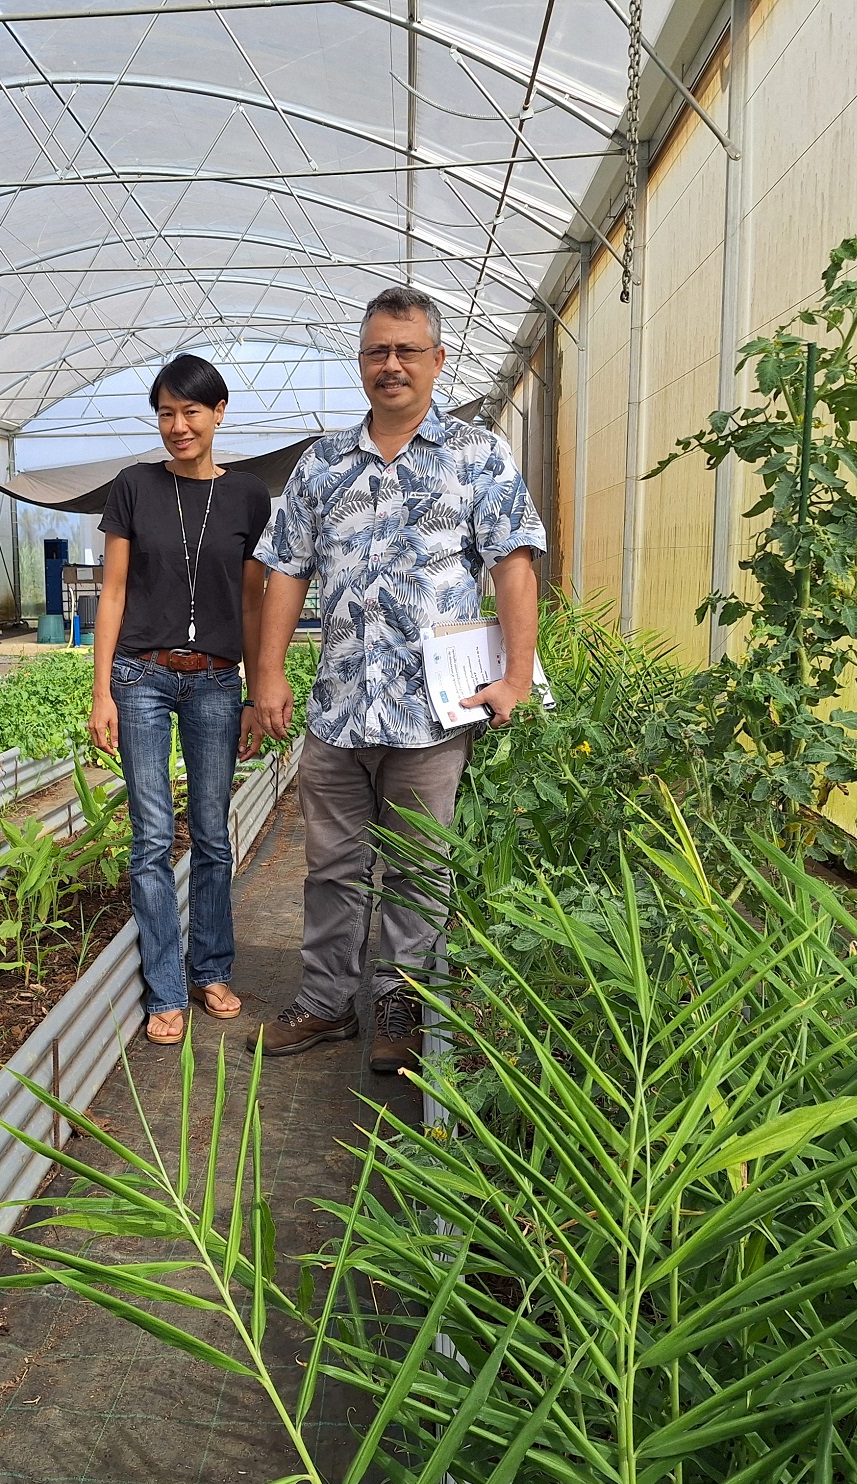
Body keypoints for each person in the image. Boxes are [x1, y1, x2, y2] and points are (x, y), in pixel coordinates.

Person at [249, 286, 545, 1072]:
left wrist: (515, 679)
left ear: (438, 360)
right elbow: (285, 570)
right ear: (361, 362)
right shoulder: (321, 463)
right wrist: (269, 675)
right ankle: (324, 1001)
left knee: (419, 868)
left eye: (408, 350)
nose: (392, 365)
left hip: (432, 715)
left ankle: (403, 1006)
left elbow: (514, 565)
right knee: (333, 866)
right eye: (378, 350)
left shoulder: (476, 456)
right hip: (338, 709)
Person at [90, 354, 271, 1046]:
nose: (178, 426)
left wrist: (259, 693)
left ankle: (212, 969)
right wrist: (101, 689)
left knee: (214, 833)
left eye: (191, 411)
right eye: (165, 413)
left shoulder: (249, 496)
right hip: (141, 675)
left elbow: (253, 605)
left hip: (218, 681)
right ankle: (165, 988)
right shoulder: (134, 487)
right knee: (151, 839)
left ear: (219, 412)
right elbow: (111, 594)